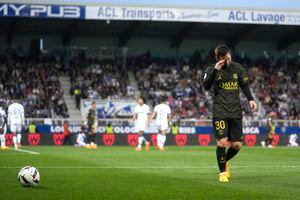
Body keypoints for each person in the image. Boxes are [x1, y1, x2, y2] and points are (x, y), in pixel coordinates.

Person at [202, 44, 257, 183]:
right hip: (220, 111)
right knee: (222, 142)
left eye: (229, 57)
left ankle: (224, 161)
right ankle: (222, 172)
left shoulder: (237, 68)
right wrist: (216, 70)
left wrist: (250, 99)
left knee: (237, 145)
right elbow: (206, 86)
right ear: (218, 58)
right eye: (225, 59)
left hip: (236, 111)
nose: (228, 60)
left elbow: (244, 85)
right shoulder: (211, 70)